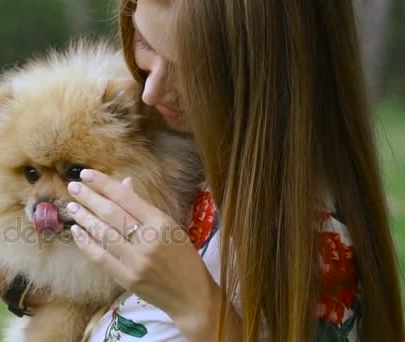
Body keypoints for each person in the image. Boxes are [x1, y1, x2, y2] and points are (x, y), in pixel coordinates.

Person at [65, 0, 405, 341]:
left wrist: (197, 306)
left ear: (272, 73)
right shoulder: (193, 157)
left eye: (194, 70)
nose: (152, 92)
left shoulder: (309, 240)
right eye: (146, 43)